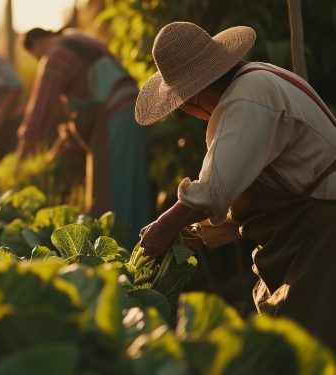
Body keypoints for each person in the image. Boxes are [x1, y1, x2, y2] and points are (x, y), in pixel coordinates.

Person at [136, 21, 336, 349]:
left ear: (192, 97)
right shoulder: (250, 84)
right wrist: (194, 234)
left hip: (322, 233)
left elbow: (214, 191)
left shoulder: (248, 98)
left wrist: (165, 225)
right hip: (308, 232)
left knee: (304, 346)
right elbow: (248, 196)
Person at [18, 27, 152, 244]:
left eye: (35, 56)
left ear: (36, 44)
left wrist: (21, 160)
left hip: (114, 112)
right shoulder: (78, 37)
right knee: (134, 181)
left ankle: (125, 250)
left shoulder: (55, 56)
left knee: (115, 186)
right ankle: (145, 244)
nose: (38, 59)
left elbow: (39, 113)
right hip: (132, 106)